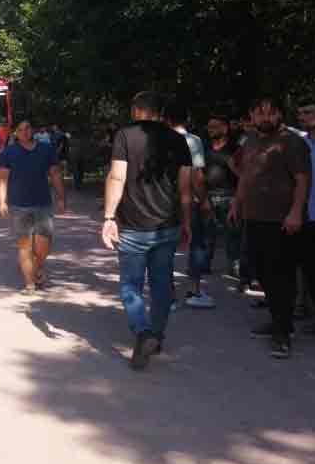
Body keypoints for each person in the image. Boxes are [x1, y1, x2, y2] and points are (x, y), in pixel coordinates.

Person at [101, 92, 192, 370]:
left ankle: (143, 333)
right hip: (167, 225)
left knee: (131, 285)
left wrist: (108, 217)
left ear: (136, 110)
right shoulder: (178, 140)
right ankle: (158, 335)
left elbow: (117, 176)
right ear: (159, 112)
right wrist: (187, 223)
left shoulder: (125, 136)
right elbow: (185, 187)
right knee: (162, 283)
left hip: (133, 225)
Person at [229, 97, 310, 359]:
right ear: (251, 115)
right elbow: (245, 176)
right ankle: (278, 319)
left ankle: (282, 333)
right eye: (259, 113)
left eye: (271, 113)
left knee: (281, 275)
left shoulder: (292, 142)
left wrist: (296, 212)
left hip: (282, 220)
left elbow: (302, 180)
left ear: (279, 115)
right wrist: (236, 204)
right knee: (261, 271)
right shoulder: (251, 140)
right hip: (254, 217)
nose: (265, 118)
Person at [0, 120, 67, 293]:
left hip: (43, 204)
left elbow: (55, 173)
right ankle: (29, 284)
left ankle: (36, 267)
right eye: (20, 129)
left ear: (33, 130)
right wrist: (2, 201)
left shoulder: (46, 149)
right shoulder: (9, 152)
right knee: (25, 246)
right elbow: (2, 178)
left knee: (44, 245)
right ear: (16, 133)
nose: (25, 132)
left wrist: (61, 198)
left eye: (28, 128)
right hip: (19, 206)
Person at [165, 104, 214, 308]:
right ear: (187, 120)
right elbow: (197, 176)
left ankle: (168, 295)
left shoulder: (158, 140)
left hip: (163, 201)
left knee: (165, 247)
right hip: (189, 200)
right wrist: (204, 200)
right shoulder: (193, 141)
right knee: (196, 243)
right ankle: (194, 290)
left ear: (165, 119)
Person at [203, 113, 241, 281]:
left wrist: (238, 199)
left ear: (225, 128)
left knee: (233, 234)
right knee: (207, 233)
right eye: (210, 127)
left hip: (230, 196)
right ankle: (204, 264)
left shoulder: (236, 149)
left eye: (215, 126)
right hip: (208, 195)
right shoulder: (204, 148)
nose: (211, 130)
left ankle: (235, 266)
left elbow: (243, 176)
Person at [295, 96, 315, 335]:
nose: (303, 117)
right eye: (301, 113)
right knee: (311, 270)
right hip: (306, 216)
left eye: (309, 112)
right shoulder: (299, 144)